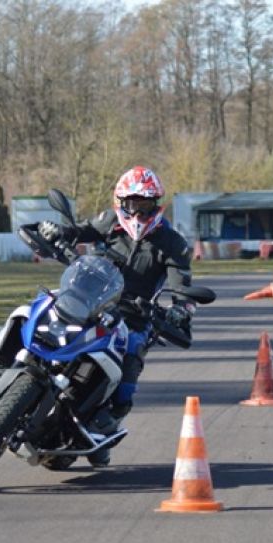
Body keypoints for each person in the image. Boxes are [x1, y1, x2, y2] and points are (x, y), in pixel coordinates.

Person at [38, 165, 195, 467]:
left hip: (133, 315)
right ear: (120, 203)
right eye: (131, 204)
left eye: (144, 204)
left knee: (133, 353)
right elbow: (78, 231)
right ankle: (7, 365)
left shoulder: (173, 243)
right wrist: (57, 231)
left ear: (157, 205)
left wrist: (180, 309)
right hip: (89, 301)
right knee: (44, 309)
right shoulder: (109, 221)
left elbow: (182, 285)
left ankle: (109, 420)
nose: (137, 212)